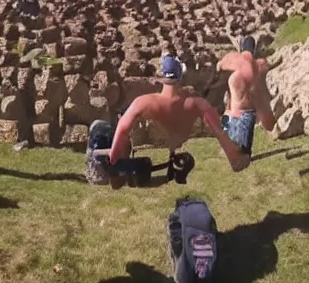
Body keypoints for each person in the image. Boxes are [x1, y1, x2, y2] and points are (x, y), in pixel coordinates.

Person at [86, 54, 244, 189]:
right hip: (172, 144)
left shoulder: (143, 102)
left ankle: (100, 175)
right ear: (180, 77)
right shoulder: (197, 103)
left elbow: (122, 128)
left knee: (99, 127)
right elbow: (218, 130)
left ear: (161, 79)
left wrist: (114, 156)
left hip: (143, 144)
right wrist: (234, 156)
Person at [215, 35, 276, 171]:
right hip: (246, 114)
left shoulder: (233, 60)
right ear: (253, 50)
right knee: (243, 155)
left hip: (231, 112)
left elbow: (218, 66)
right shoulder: (259, 66)